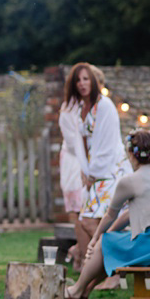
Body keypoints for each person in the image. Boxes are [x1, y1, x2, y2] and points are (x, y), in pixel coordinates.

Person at [66, 129, 150, 299]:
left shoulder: (130, 181)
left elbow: (110, 214)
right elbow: (128, 214)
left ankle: (76, 290)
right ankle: (86, 290)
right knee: (109, 243)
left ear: (132, 154)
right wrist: (105, 235)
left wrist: (96, 240)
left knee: (105, 244)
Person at [64, 63, 131, 287]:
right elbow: (80, 144)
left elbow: (106, 143)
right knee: (86, 221)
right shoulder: (82, 107)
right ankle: (109, 270)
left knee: (96, 222)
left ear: (93, 80)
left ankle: (115, 271)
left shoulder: (105, 106)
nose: (82, 84)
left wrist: (93, 173)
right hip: (94, 173)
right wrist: (85, 171)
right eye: (78, 80)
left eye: (86, 79)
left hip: (110, 171)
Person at [58, 99, 85, 267]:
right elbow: (72, 142)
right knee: (77, 211)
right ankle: (80, 255)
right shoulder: (68, 109)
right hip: (74, 163)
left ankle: (80, 251)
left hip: (88, 162)